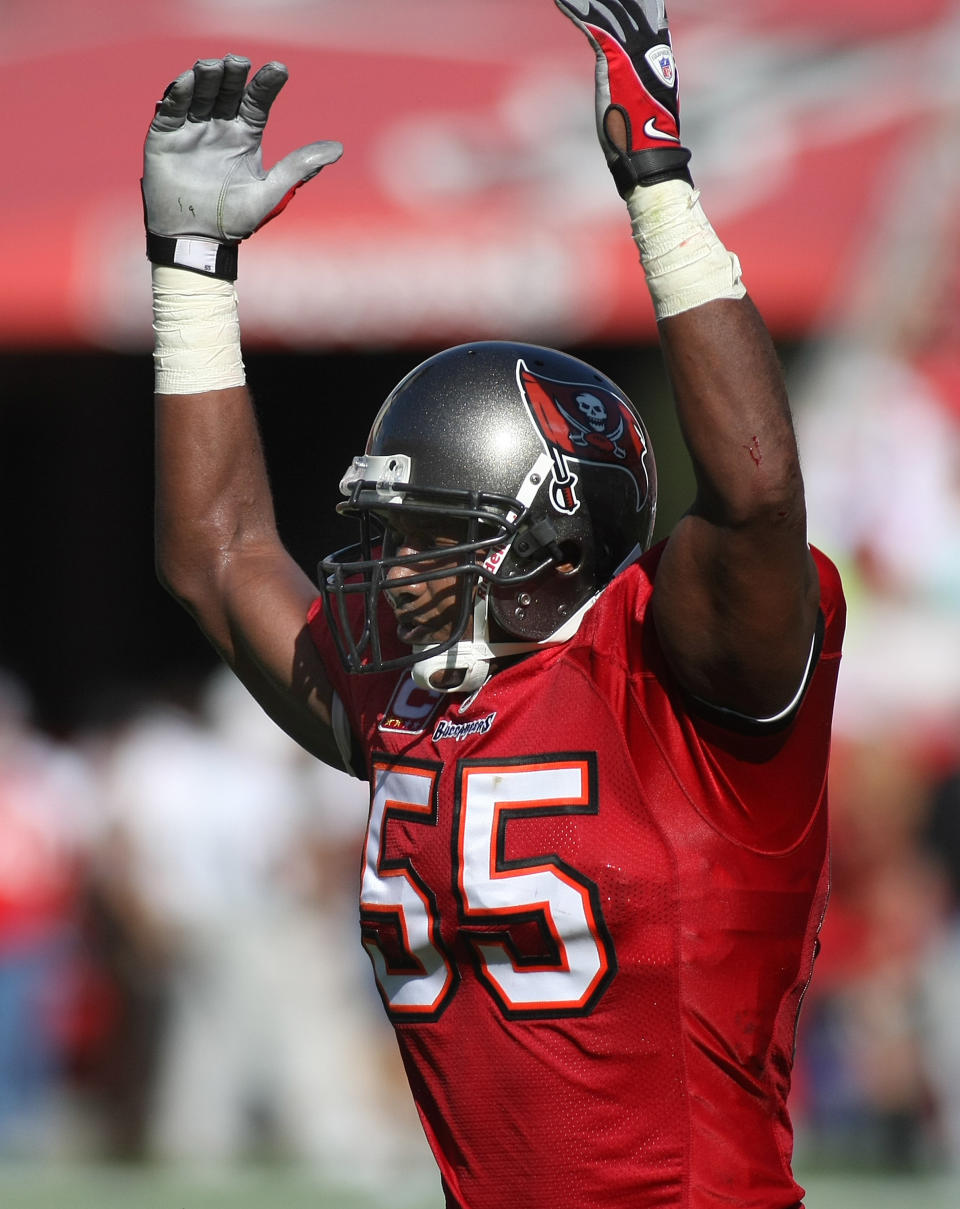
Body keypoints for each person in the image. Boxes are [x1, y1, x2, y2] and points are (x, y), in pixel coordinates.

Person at [142, 3, 845, 1206]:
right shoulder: (418, 691)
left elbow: (760, 491)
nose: (392, 573)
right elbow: (218, 557)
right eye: (389, 537)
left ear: (559, 536)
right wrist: (192, 279)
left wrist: (659, 181)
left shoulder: (687, 688)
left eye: (437, 539)